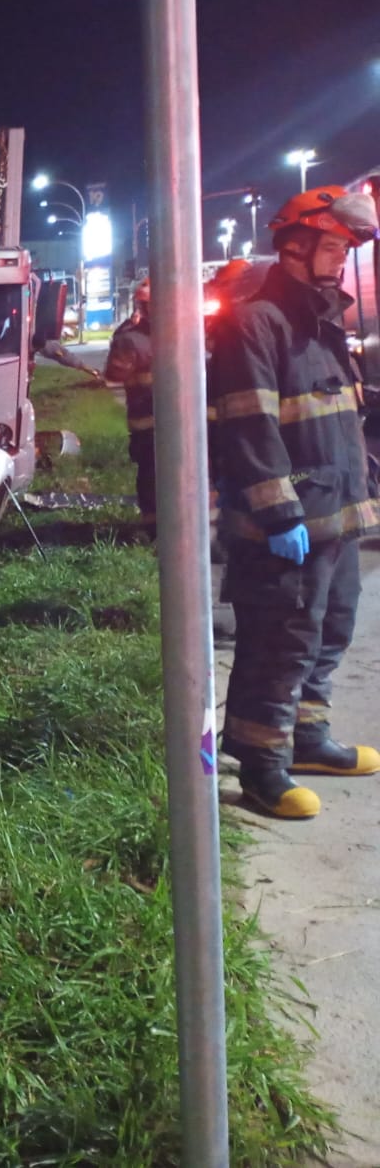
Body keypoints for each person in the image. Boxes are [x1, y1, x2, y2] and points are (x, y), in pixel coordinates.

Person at [209, 184, 380, 819]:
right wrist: (278, 512)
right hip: (287, 526)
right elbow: (249, 425)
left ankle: (306, 741)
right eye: (333, 246)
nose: (341, 258)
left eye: (344, 247)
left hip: (335, 519)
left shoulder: (323, 317)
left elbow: (338, 421)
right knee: (279, 645)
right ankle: (262, 768)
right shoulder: (258, 321)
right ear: (296, 245)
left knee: (328, 633)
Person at [104, 278, 156, 528]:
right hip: (175, 424)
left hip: (147, 423)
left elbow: (114, 373)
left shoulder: (129, 339)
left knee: (150, 475)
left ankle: (155, 530)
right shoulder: (187, 334)